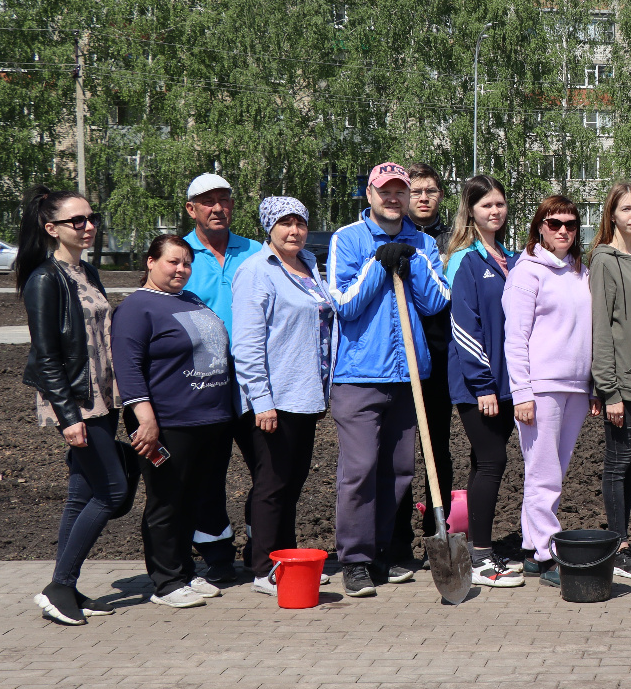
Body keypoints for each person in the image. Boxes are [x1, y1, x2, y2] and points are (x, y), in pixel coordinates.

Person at [327, 162, 450, 598]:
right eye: (385, 191)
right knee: (360, 469)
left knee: (399, 470)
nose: (394, 198)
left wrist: (412, 263)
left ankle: (380, 552)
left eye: (401, 191)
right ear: (370, 194)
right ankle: (355, 560)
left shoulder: (423, 242)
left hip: (408, 374)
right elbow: (344, 303)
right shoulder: (348, 239)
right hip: (359, 373)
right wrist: (378, 265)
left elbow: (437, 301)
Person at [112, 235, 239, 609]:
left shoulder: (191, 299)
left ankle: (184, 570)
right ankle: (165, 582)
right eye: (173, 262)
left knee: (193, 498)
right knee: (166, 500)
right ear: (151, 262)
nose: (182, 269)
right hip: (168, 423)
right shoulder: (136, 308)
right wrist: (145, 420)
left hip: (210, 420)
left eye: (186, 262)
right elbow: (128, 368)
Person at [20, 188, 123, 626]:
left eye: (91, 218)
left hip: (104, 395)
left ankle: (67, 586)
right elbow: (46, 356)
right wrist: (69, 417)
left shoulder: (88, 271)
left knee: (81, 493)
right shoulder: (44, 279)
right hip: (78, 401)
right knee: (113, 492)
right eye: (77, 220)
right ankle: (58, 586)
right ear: (51, 228)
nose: (88, 226)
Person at [231, 197, 336, 597]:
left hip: (305, 394)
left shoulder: (308, 265)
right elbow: (247, 343)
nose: (294, 230)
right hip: (274, 399)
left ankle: (288, 561)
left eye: (300, 223)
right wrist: (262, 400)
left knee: (291, 484)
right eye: (285, 223)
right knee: (272, 486)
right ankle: (263, 569)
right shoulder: (256, 271)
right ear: (269, 228)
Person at [505, 195, 602, 588]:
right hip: (541, 388)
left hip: (576, 388)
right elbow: (515, 338)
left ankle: (533, 548)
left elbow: (588, 333)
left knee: (553, 473)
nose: (563, 230)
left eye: (571, 224)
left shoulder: (581, 272)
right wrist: (522, 392)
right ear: (539, 228)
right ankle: (548, 554)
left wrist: (592, 386)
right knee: (543, 473)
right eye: (554, 223)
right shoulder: (526, 273)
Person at [445, 176, 524, 589]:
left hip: (508, 380)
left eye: (500, 204)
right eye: (486, 205)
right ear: (470, 210)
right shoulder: (464, 260)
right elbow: (465, 325)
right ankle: (480, 558)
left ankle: (478, 548)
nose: (495, 211)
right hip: (479, 383)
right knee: (493, 461)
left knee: (484, 462)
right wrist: (483, 385)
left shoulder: (510, 258)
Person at [180, 173, 260, 583]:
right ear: (191, 209)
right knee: (208, 473)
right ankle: (216, 554)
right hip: (203, 383)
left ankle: (261, 546)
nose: (217, 208)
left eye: (224, 199)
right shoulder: (179, 255)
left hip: (253, 381)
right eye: (207, 201)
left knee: (267, 468)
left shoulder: (256, 251)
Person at [589, 182, 631, 580]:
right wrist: (608, 390)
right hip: (622, 382)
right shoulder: (605, 260)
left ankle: (623, 541)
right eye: (626, 209)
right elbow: (601, 327)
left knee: (629, 464)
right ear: (612, 215)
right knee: (617, 464)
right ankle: (618, 546)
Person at [391, 163, 455, 572]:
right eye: (416, 191)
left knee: (437, 448)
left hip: (437, 355)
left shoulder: (451, 239)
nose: (424, 198)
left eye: (431, 191)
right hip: (398, 356)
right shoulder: (391, 236)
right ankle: (397, 538)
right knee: (398, 453)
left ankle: (437, 531)